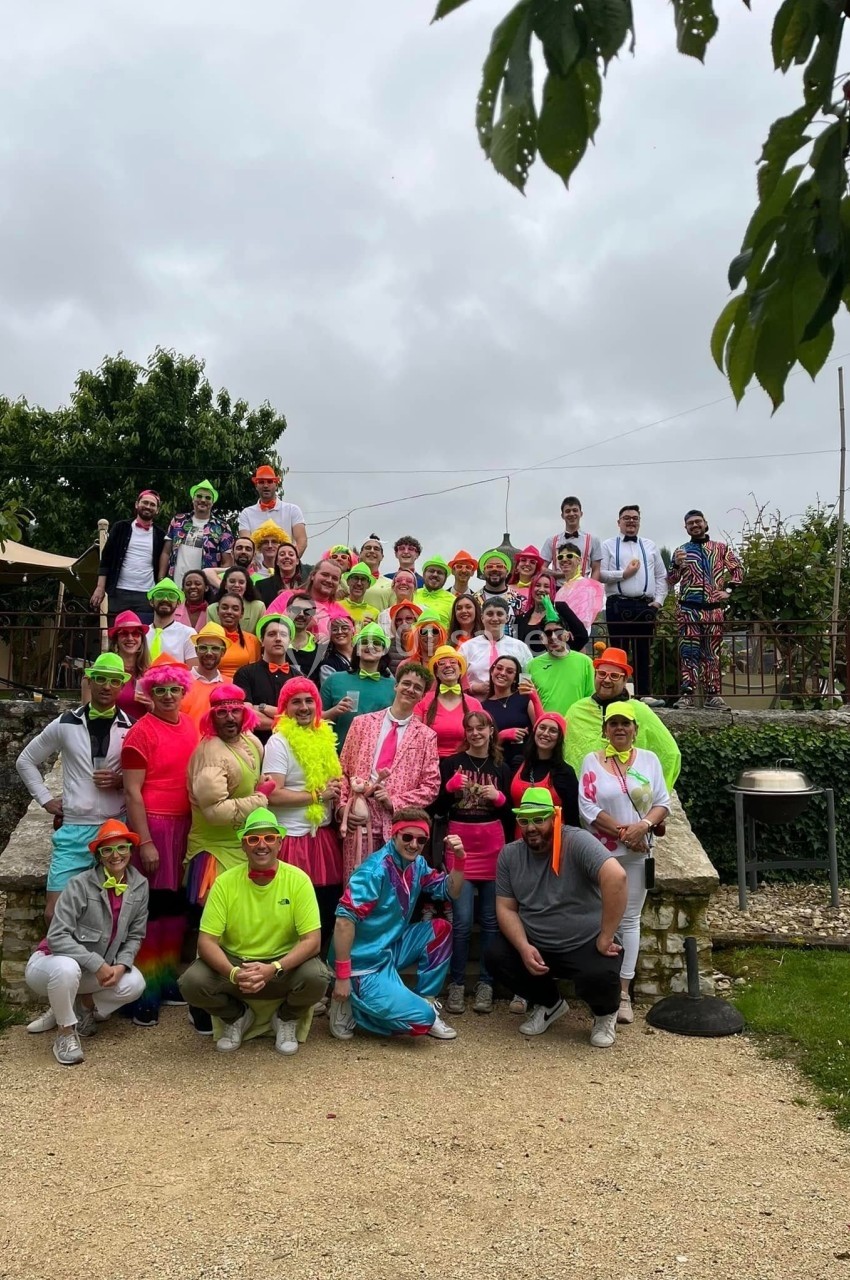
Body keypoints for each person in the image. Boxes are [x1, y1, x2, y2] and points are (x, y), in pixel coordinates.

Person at [486, 787, 627, 1047]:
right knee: (496, 956)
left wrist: (606, 936)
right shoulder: (510, 855)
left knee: (600, 974)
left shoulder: (577, 841)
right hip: (539, 943)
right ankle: (550, 1004)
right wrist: (523, 947)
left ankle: (605, 1014)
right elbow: (506, 908)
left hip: (585, 941)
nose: (531, 827)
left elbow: (616, 877)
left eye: (539, 819)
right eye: (524, 820)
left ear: (555, 818)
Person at [178, 808, 327, 1056]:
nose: (262, 845)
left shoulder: (298, 880)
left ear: (279, 843)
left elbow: (312, 941)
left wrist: (274, 968)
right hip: (236, 964)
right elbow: (206, 942)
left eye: (269, 838)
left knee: (318, 977)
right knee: (191, 983)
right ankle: (235, 1016)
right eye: (253, 839)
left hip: (282, 966)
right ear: (243, 845)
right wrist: (234, 973)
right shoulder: (225, 882)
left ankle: (286, 1018)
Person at [16, 652, 134, 925]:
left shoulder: (133, 727)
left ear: (122, 686)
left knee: (111, 914)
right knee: (55, 913)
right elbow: (26, 760)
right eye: (100, 679)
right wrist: (45, 799)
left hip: (115, 830)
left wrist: (120, 781)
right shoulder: (65, 723)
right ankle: (60, 953)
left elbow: (147, 776)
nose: (106, 686)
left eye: (114, 681)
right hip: (74, 831)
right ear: (89, 682)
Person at [328, 810, 465, 1041]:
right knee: (421, 1021)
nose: (414, 845)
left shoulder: (417, 865)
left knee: (440, 930)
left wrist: (459, 860)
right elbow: (343, 921)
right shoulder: (375, 870)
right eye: (407, 837)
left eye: (421, 840)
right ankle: (350, 1004)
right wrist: (342, 976)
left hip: (388, 948)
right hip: (361, 962)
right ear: (394, 834)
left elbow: (450, 891)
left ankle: (427, 1001)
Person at [24, 819, 148, 1065]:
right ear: (99, 856)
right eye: (107, 850)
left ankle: (82, 1007)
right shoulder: (79, 884)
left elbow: (135, 935)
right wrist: (97, 964)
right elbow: (57, 936)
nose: (116, 855)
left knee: (134, 982)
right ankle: (65, 1032)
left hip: (90, 973)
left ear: (130, 850)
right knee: (67, 967)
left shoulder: (140, 885)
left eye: (121, 848)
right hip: (49, 964)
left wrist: (121, 965)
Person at [578, 702, 670, 1025]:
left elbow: (662, 803)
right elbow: (587, 807)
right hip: (602, 854)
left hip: (637, 853)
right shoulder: (591, 761)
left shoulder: (649, 760)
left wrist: (642, 827)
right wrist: (622, 832)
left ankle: (623, 992)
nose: (620, 728)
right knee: (599, 920)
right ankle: (598, 988)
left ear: (635, 729)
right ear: (605, 729)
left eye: (625, 723)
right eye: (613, 723)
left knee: (630, 920)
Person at [121, 658, 199, 1025]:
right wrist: (145, 842)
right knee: (149, 911)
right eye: (161, 690)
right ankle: (144, 991)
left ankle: (166, 978)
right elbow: (132, 792)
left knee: (175, 907)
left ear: (184, 692)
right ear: (150, 694)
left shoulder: (190, 725)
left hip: (186, 827)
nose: (168, 696)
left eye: (174, 690)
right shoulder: (140, 732)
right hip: (154, 826)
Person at [336, 662, 441, 882]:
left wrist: (394, 802)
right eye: (406, 683)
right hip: (359, 819)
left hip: (398, 826)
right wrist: (343, 808)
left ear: (423, 696)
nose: (410, 690)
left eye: (417, 687)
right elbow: (342, 770)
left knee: (393, 887)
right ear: (396, 685)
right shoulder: (362, 724)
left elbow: (431, 787)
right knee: (357, 884)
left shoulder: (426, 736)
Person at [438, 712, 512, 1016]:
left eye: (481, 728)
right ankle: (456, 983)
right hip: (460, 848)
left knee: (491, 921)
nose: (475, 733)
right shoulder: (451, 763)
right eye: (469, 729)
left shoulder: (501, 767)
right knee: (462, 921)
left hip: (493, 847)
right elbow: (437, 809)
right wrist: (450, 789)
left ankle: (486, 983)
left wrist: (499, 798)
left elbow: (511, 815)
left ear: (491, 730)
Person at [263, 678, 344, 949]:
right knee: (291, 911)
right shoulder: (279, 742)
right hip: (292, 839)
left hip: (321, 836)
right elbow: (273, 794)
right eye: (296, 701)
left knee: (325, 907)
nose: (304, 707)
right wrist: (318, 796)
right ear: (285, 708)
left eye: (309, 700)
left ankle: (315, 963)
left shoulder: (324, 737)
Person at [186, 685, 268, 908]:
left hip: (245, 848)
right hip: (215, 855)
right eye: (222, 712)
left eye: (235, 711)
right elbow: (214, 812)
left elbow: (251, 781)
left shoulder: (250, 741)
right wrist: (260, 798)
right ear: (212, 717)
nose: (230, 718)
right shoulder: (211, 754)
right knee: (219, 919)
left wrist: (262, 783)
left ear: (245, 713)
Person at [564, 647, 682, 790]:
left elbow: (670, 753)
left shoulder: (640, 711)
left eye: (614, 676)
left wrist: (655, 793)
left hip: (630, 797)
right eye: (601, 674)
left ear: (625, 679)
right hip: (586, 796)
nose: (606, 680)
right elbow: (563, 753)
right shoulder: (577, 711)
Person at [668, 508, 744, 709]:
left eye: (698, 522)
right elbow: (671, 579)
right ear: (686, 527)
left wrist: (728, 590)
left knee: (712, 654)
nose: (695, 525)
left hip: (713, 609)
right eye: (690, 523)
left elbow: (737, 569)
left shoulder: (720, 548)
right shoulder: (681, 550)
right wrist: (676, 565)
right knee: (688, 652)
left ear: (705, 523)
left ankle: (713, 695)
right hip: (688, 609)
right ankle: (687, 695)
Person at [601, 505, 668, 704]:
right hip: (618, 604)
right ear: (618, 522)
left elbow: (661, 576)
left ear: (639, 521)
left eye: (635, 518)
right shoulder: (607, 545)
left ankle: (644, 695)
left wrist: (658, 602)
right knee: (618, 652)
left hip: (645, 605)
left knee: (643, 652)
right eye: (626, 517)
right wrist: (623, 574)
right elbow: (600, 574)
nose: (631, 521)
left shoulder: (650, 545)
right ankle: (617, 695)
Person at [91, 489, 165, 623]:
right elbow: (106, 560)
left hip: (147, 594)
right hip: (119, 592)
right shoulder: (120, 527)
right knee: (118, 632)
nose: (148, 506)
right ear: (137, 504)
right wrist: (100, 587)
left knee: (144, 632)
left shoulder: (160, 534)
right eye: (145, 502)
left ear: (157, 510)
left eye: (152, 505)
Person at [321, 622, 395, 750]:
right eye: (364, 642)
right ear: (357, 649)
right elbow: (315, 718)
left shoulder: (393, 686)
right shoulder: (334, 680)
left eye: (376, 643)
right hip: (338, 755)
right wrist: (333, 712)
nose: (370, 646)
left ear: (384, 651)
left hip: (377, 756)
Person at [234, 613, 300, 743]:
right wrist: (289, 722)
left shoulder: (299, 678)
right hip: (255, 745)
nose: (278, 639)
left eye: (283, 635)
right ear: (262, 640)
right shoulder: (245, 673)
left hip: (293, 745)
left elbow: (303, 715)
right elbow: (245, 715)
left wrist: (262, 708)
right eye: (272, 634)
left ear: (289, 641)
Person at [510, 713, 580, 827]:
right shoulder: (518, 763)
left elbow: (573, 817)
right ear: (535, 731)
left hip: (555, 836)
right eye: (542, 728)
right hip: (519, 835)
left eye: (553, 731)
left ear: (559, 738)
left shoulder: (565, 772)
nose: (546, 733)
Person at [414, 645, 483, 757]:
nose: (447, 665)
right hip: (430, 761)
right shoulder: (424, 700)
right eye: (441, 663)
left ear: (460, 670)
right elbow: (413, 734)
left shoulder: (474, 704)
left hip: (464, 761)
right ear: (436, 673)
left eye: (453, 662)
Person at [528, 599, 594, 715]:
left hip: (576, 723)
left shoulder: (586, 662)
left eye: (558, 632)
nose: (553, 637)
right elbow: (525, 701)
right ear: (542, 639)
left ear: (568, 635)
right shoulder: (530, 665)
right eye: (548, 633)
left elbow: (591, 699)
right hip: (545, 725)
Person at [159, 479, 234, 582]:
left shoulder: (222, 527)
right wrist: (161, 579)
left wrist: (216, 585)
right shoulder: (178, 520)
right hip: (175, 584)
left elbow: (227, 563)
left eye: (208, 498)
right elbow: (166, 553)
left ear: (213, 502)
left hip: (205, 586)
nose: (203, 500)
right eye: (199, 496)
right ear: (193, 499)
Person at [482, 654, 543, 771]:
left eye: (509, 671)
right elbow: (482, 744)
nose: (502, 673)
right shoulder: (483, 706)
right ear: (492, 671)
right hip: (497, 765)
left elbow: (542, 727)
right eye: (499, 668)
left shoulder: (524, 698)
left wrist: (535, 699)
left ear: (515, 678)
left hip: (527, 763)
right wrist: (502, 736)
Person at [463, 599, 532, 697]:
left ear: (507, 618)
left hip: (510, 702)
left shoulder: (520, 647)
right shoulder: (467, 647)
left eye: (499, 614)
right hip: (476, 702)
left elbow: (527, 680)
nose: (495, 618)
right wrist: (473, 688)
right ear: (482, 618)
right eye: (490, 614)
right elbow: (455, 680)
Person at [237, 463, 308, 557]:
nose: (266, 485)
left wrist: (292, 561)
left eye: (270, 481)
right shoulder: (246, 513)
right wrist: (252, 562)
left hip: (286, 565)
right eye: (261, 482)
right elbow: (246, 544)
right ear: (256, 485)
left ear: (276, 484)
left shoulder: (292, 510)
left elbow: (302, 540)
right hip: (257, 566)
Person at [269, 559, 349, 640]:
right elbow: (267, 626)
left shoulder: (341, 613)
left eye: (335, 578)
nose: (329, 580)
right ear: (312, 576)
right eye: (325, 575)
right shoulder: (288, 597)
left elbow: (346, 641)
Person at [518, 571, 589, 656]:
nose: (541, 589)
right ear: (532, 589)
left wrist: (563, 653)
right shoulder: (521, 618)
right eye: (537, 585)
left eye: (546, 586)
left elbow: (582, 636)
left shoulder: (560, 608)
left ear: (552, 590)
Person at [102, 611, 150, 722]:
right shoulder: (104, 671)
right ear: (116, 639)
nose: (130, 638)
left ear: (142, 639)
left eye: (135, 633)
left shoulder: (151, 674)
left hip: (142, 730)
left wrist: (152, 706)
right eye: (124, 633)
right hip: (111, 730)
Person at [181, 622, 230, 725]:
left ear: (223, 652)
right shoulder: (180, 683)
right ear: (196, 650)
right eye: (203, 648)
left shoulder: (230, 685)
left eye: (215, 648)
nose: (209, 653)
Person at [541, 496, 602, 580]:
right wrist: (562, 574)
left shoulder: (593, 540)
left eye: (575, 510)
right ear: (562, 515)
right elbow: (541, 568)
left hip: (582, 586)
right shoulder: (551, 541)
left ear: (581, 513)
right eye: (567, 511)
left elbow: (596, 569)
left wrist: (591, 587)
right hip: (558, 586)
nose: (571, 514)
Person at [554, 544, 606, 633]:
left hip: (578, 636)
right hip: (561, 636)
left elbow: (584, 620)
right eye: (560, 557)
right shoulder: (561, 590)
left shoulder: (588, 586)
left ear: (579, 560)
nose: (564, 559)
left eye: (569, 556)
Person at [146, 578, 198, 664]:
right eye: (160, 595)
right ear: (151, 602)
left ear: (178, 603)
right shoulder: (142, 634)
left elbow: (192, 670)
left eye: (172, 596)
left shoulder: (188, 634)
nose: (165, 599)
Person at [475, 550, 524, 635]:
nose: (494, 569)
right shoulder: (474, 601)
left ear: (507, 572)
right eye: (489, 566)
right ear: (483, 572)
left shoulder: (519, 601)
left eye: (499, 566)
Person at [215, 593, 262, 683]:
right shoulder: (209, 638)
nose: (229, 612)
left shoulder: (252, 640)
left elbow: (256, 673)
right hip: (216, 687)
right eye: (224, 608)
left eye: (235, 609)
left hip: (244, 687)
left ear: (242, 613)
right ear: (218, 610)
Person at [208, 567, 265, 635]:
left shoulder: (259, 607)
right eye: (232, 581)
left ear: (246, 586)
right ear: (225, 585)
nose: (236, 585)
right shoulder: (211, 609)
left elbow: (261, 635)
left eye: (241, 582)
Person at [286, 592, 323, 682]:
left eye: (307, 611)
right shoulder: (277, 641)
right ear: (288, 611)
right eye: (296, 609)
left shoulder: (320, 645)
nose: (301, 614)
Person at [255, 537, 303, 606]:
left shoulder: (306, 586)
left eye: (291, 554)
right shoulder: (261, 585)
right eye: (282, 554)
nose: (287, 557)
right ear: (277, 561)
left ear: (297, 561)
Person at [413, 556, 455, 629]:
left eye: (440, 573)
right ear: (424, 574)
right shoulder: (412, 595)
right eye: (431, 571)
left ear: (445, 578)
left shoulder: (453, 600)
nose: (435, 574)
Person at [382, 600, 423, 675]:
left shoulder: (424, 644)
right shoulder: (388, 645)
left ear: (416, 620)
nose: (404, 623)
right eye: (399, 620)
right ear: (394, 623)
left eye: (409, 618)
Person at [317, 613, 356, 687]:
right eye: (334, 629)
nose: (340, 632)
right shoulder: (328, 664)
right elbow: (330, 689)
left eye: (344, 628)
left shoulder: (363, 655)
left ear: (353, 631)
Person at [339, 562, 381, 628]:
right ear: (348, 581)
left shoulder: (375, 613)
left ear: (368, 585)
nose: (359, 583)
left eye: (363, 579)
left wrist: (372, 627)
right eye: (355, 578)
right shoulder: (336, 607)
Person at [360, 536, 394, 611]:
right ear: (360, 554)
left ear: (382, 556)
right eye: (368, 548)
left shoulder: (391, 584)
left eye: (376, 549)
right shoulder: (346, 580)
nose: (372, 551)